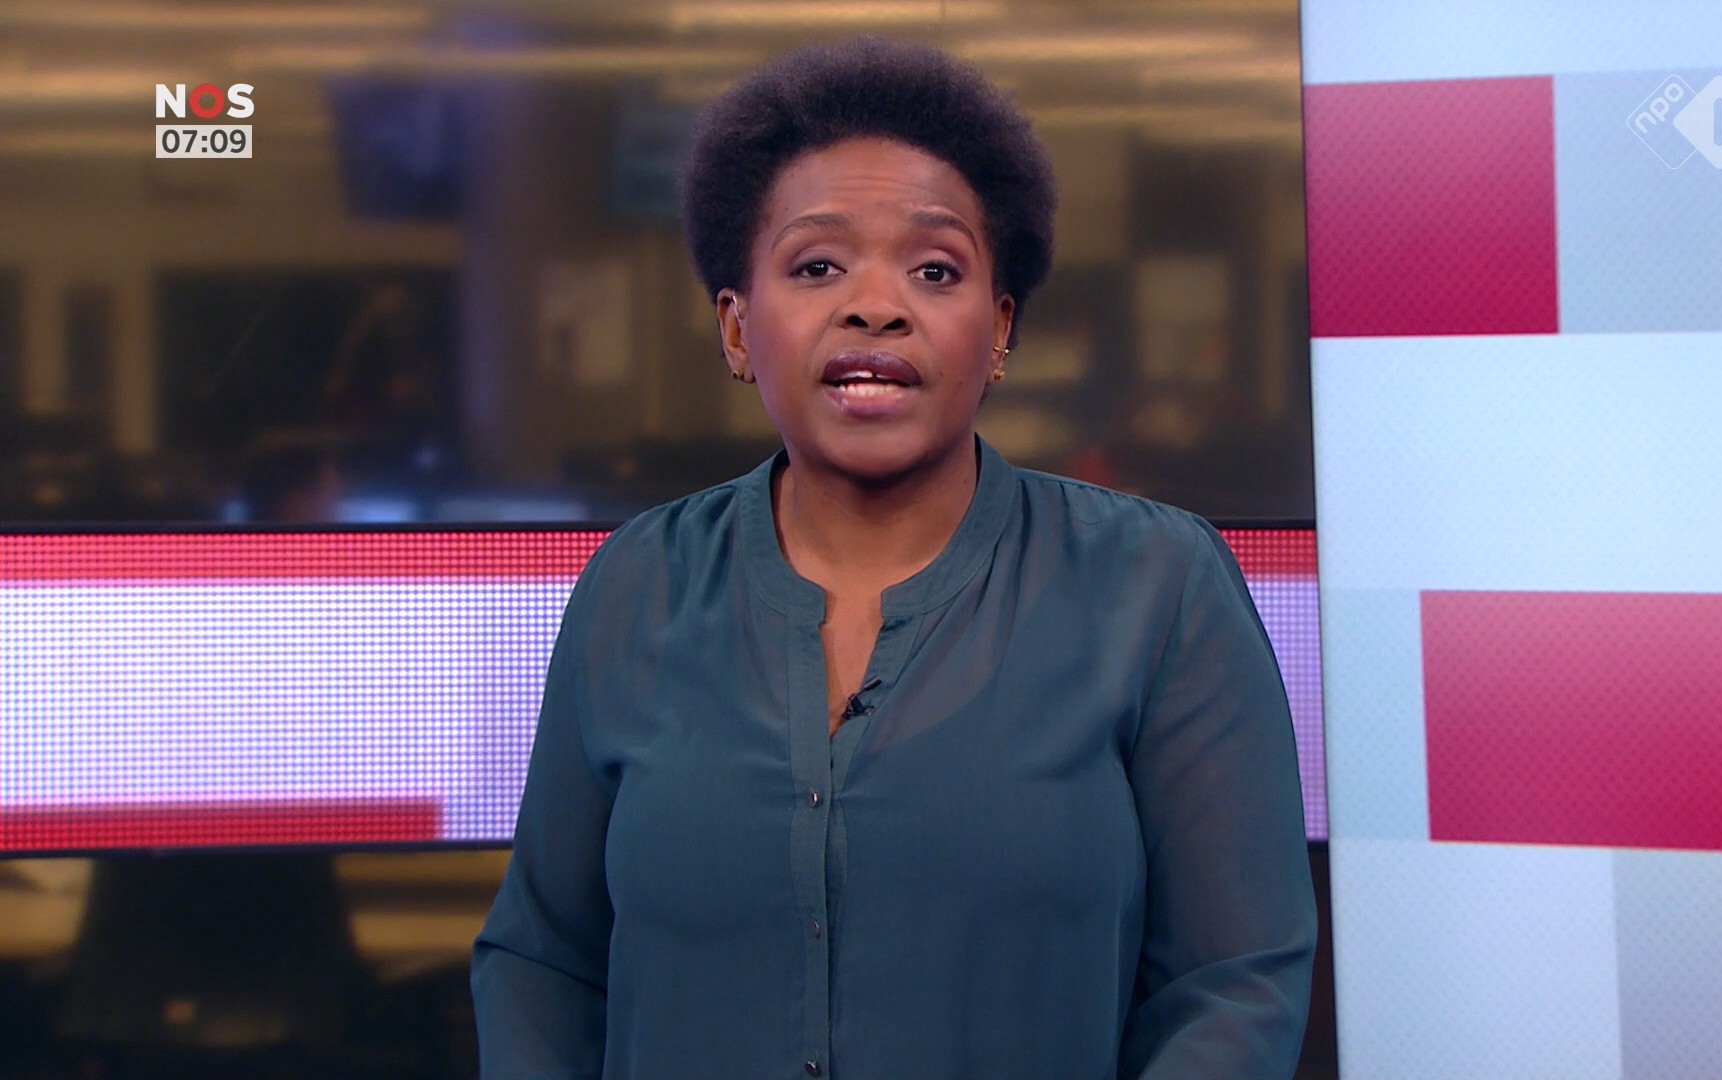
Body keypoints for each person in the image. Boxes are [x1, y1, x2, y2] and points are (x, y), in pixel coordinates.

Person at [472, 36, 1315, 1080]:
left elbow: (1236, 982)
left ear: (998, 329)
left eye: (935, 270)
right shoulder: (636, 586)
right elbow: (542, 960)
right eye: (817, 266)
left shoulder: (1158, 588)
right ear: (736, 327)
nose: (876, 305)